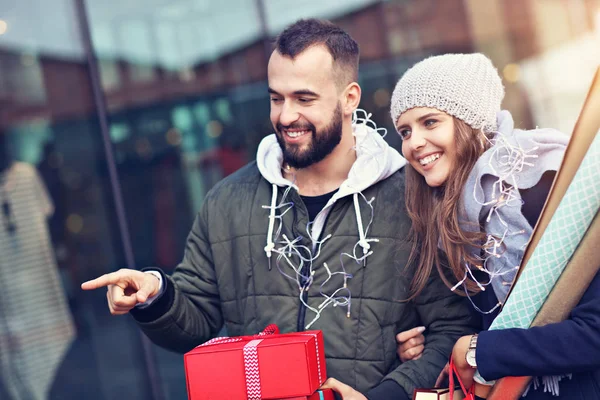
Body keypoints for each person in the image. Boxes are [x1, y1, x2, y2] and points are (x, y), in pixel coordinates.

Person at [81, 19, 478, 400]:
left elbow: (451, 330)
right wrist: (156, 295)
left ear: (348, 98)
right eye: (276, 98)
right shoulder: (228, 201)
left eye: (304, 99)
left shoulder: (413, 199)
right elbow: (194, 321)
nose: (286, 116)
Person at [390, 53, 600, 399]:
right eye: (405, 131)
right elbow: (487, 321)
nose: (413, 143)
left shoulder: (543, 187)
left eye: (430, 122)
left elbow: (593, 333)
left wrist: (480, 351)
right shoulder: (451, 216)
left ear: (470, 121)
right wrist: (426, 345)